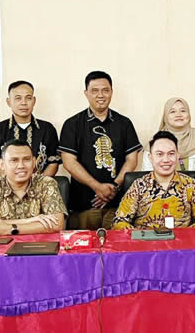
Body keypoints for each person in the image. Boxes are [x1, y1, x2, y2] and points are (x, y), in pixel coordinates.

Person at [59, 71, 141, 230]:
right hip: (83, 206)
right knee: (83, 245)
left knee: (117, 244)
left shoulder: (124, 123)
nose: (100, 95)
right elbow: (69, 162)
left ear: (112, 92)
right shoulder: (72, 124)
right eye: (94, 91)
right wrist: (97, 186)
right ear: (86, 93)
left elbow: (132, 159)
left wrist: (114, 187)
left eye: (105, 90)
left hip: (118, 206)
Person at [114, 132, 195, 230]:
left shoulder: (190, 185)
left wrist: (186, 235)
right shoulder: (139, 186)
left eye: (171, 154)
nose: (166, 160)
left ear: (177, 156)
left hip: (181, 238)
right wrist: (137, 234)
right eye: (159, 154)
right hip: (145, 238)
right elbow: (119, 221)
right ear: (150, 158)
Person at [0, 141, 66, 235]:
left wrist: (9, 228)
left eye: (26, 160)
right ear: (2, 164)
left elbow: (57, 224)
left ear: (34, 162)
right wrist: (28, 221)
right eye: (14, 160)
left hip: (39, 244)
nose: (21, 166)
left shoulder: (46, 184)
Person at [140, 98, 195, 204]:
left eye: (183, 111)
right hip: (162, 201)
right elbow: (148, 173)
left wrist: (194, 193)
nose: (178, 115)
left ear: (189, 114)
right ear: (165, 116)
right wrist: (166, 195)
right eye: (172, 111)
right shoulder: (156, 141)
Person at [0, 80, 60, 179]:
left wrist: (36, 182)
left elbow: (53, 164)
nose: (23, 103)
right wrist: (16, 180)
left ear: (34, 101)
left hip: (39, 184)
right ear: (9, 102)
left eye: (28, 98)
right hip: (6, 185)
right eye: (18, 98)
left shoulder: (47, 129)